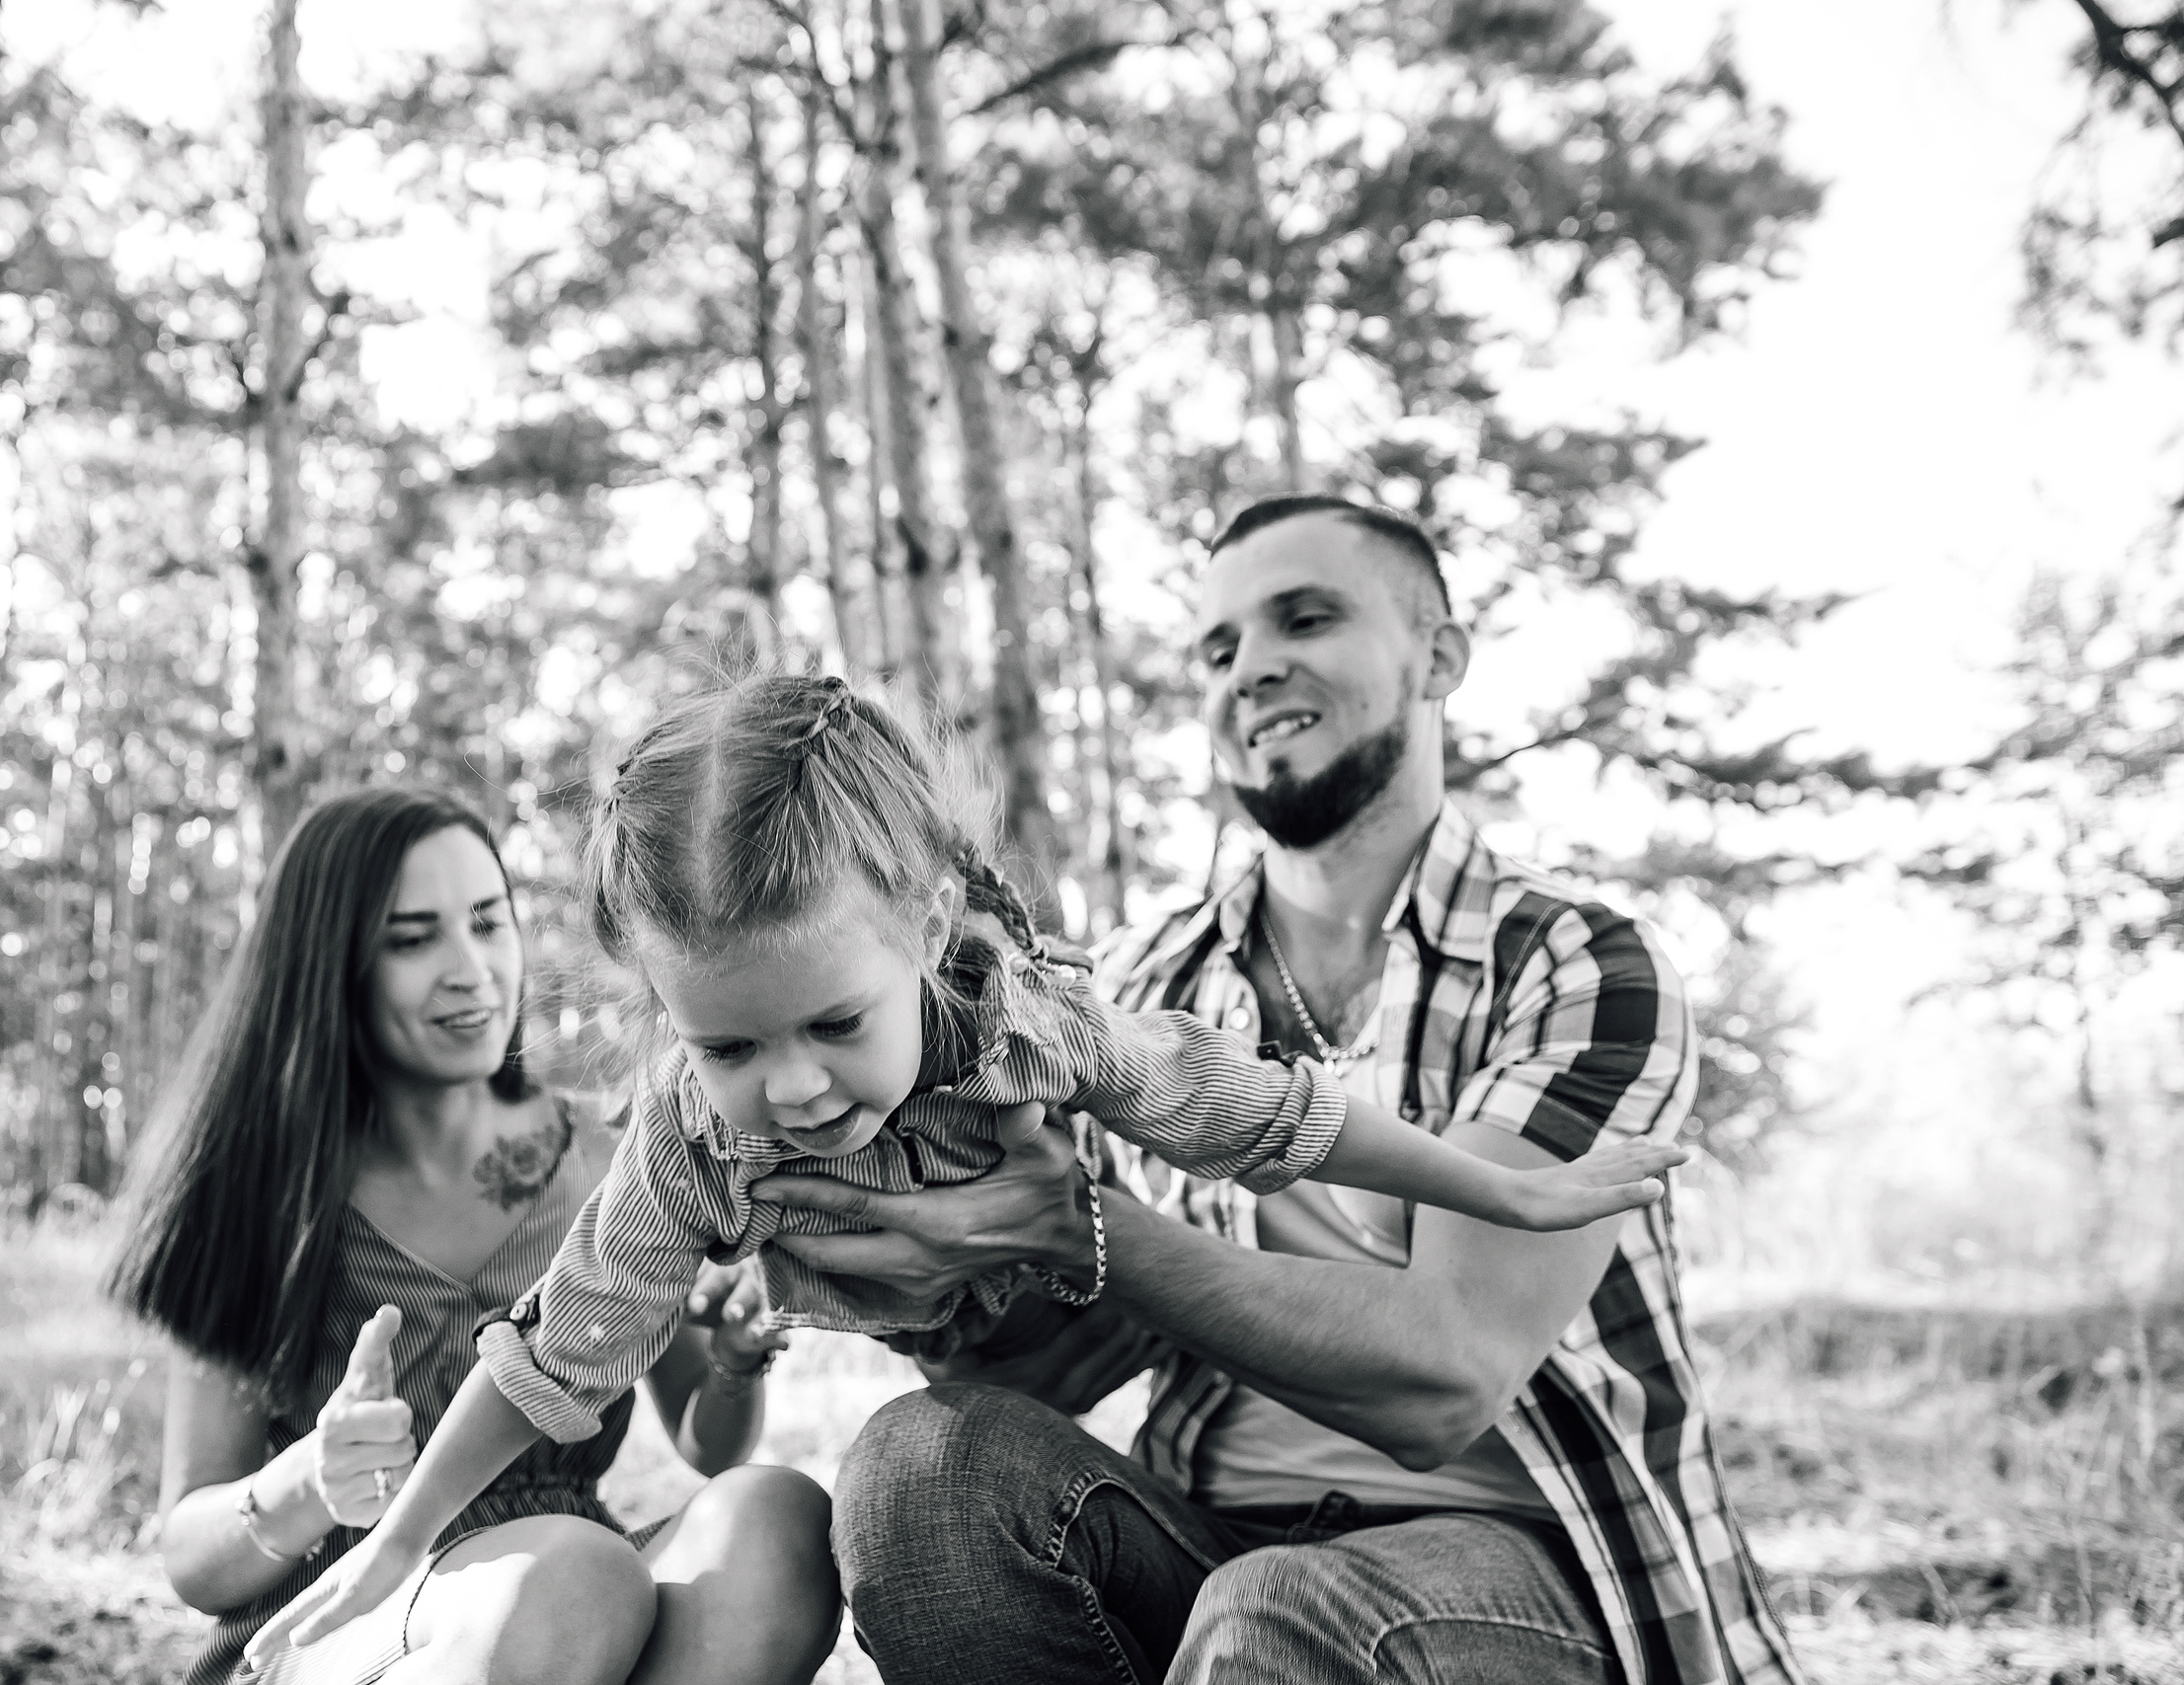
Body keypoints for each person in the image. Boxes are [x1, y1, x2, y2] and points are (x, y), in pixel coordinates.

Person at [248, 673, 1686, 1664]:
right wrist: (393, 1547)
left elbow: (1256, 1110)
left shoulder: (1025, 1023)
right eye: (733, 1041)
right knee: (908, 1473)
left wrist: (1494, 1185)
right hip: (1058, 1414)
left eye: (834, 1023)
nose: (795, 1085)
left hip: (1464, 1552)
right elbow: (558, 1349)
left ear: (928, 927)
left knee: (1269, 1608)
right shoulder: (693, 1131)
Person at [759, 498, 1809, 1685]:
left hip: (1535, 1584)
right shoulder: (1146, 986)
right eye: (1217, 650)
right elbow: (1046, 1367)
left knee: (1277, 1611)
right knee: (922, 1473)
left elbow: (1446, 1380)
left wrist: (1082, 1226)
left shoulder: (1573, 963)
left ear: (1438, 658)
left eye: (1304, 619)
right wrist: (897, 1253)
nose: (1252, 669)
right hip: (1213, 1545)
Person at [103, 786, 839, 1685]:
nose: (472, 968)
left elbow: (704, 1444)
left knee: (773, 1521)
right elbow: (191, 1556)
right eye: (414, 939)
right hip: (334, 1630)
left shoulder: (615, 1159)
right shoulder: (261, 1191)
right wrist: (312, 1480)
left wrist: (728, 1360)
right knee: (565, 1572)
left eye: (488, 922)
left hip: (575, 1618)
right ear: (331, 965)